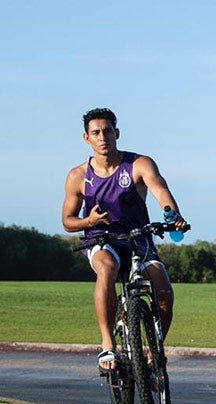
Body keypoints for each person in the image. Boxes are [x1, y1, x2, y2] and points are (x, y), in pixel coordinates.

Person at [61, 107, 188, 373]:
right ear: (87, 138)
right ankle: (108, 344)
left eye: (107, 131)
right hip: (101, 239)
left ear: (117, 133)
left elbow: (160, 190)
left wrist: (173, 215)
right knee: (107, 267)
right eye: (95, 132)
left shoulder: (139, 164)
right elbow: (68, 221)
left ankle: (154, 354)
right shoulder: (78, 176)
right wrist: (89, 222)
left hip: (138, 239)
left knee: (164, 293)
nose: (102, 137)